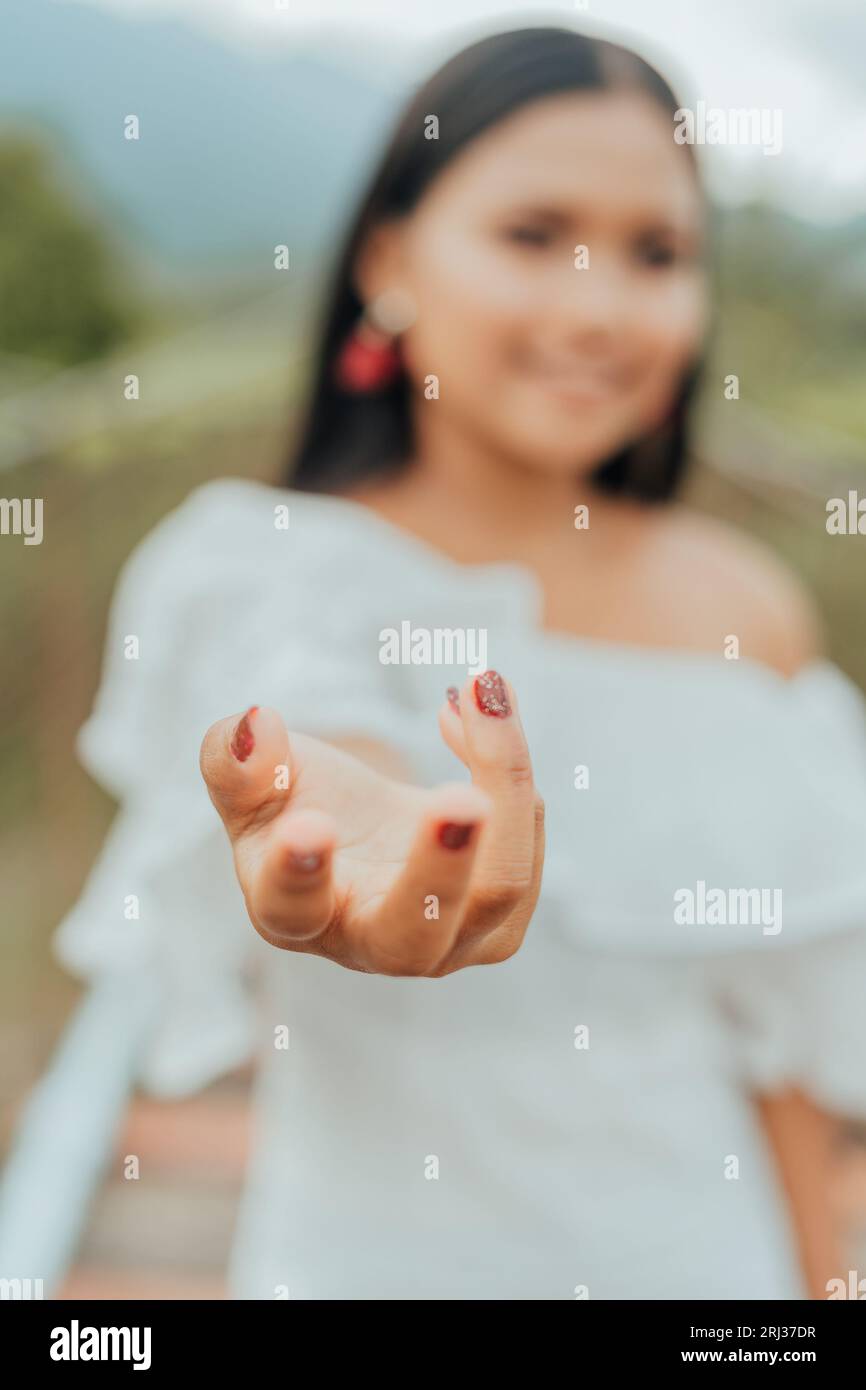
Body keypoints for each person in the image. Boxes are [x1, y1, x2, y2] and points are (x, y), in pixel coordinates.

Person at [55, 26, 866, 1299]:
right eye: (534, 234)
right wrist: (351, 821)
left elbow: (778, 1051)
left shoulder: (750, 611)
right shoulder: (255, 566)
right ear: (388, 259)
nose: (599, 306)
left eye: (656, 253)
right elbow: (323, 736)